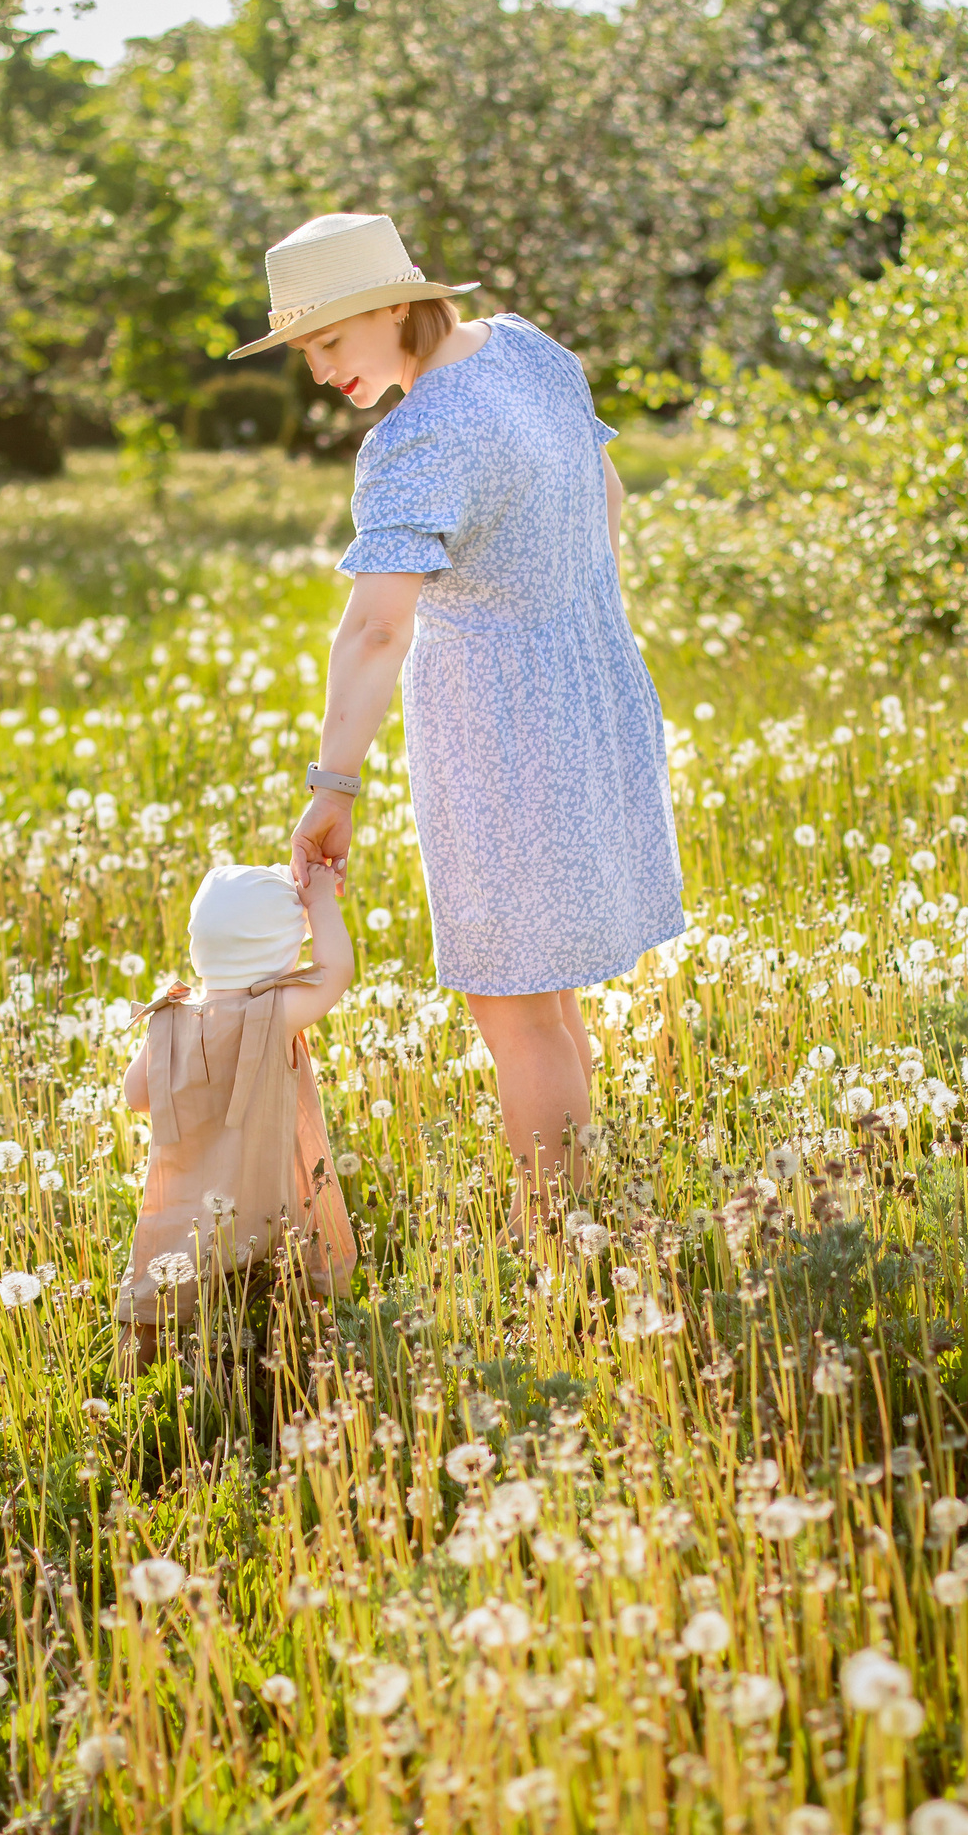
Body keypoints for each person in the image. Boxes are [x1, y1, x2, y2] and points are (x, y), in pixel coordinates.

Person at [229, 212, 685, 1234]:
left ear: (393, 304)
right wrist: (561, 616)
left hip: (504, 733)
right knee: (546, 993)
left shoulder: (418, 433)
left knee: (512, 1005)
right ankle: (589, 1214)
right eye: (302, 351)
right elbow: (604, 496)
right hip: (591, 686)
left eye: (327, 341)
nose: (315, 370)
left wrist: (331, 787)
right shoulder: (529, 351)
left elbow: (376, 629)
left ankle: (564, 1244)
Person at [114, 862, 358, 1371]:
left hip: (184, 1203)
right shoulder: (274, 1014)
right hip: (267, 1200)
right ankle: (299, 1357)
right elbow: (337, 971)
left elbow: (135, 1095)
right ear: (283, 950)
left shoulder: (170, 1019)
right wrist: (322, 903)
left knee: (156, 1295)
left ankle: (128, 1386)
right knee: (287, 1282)